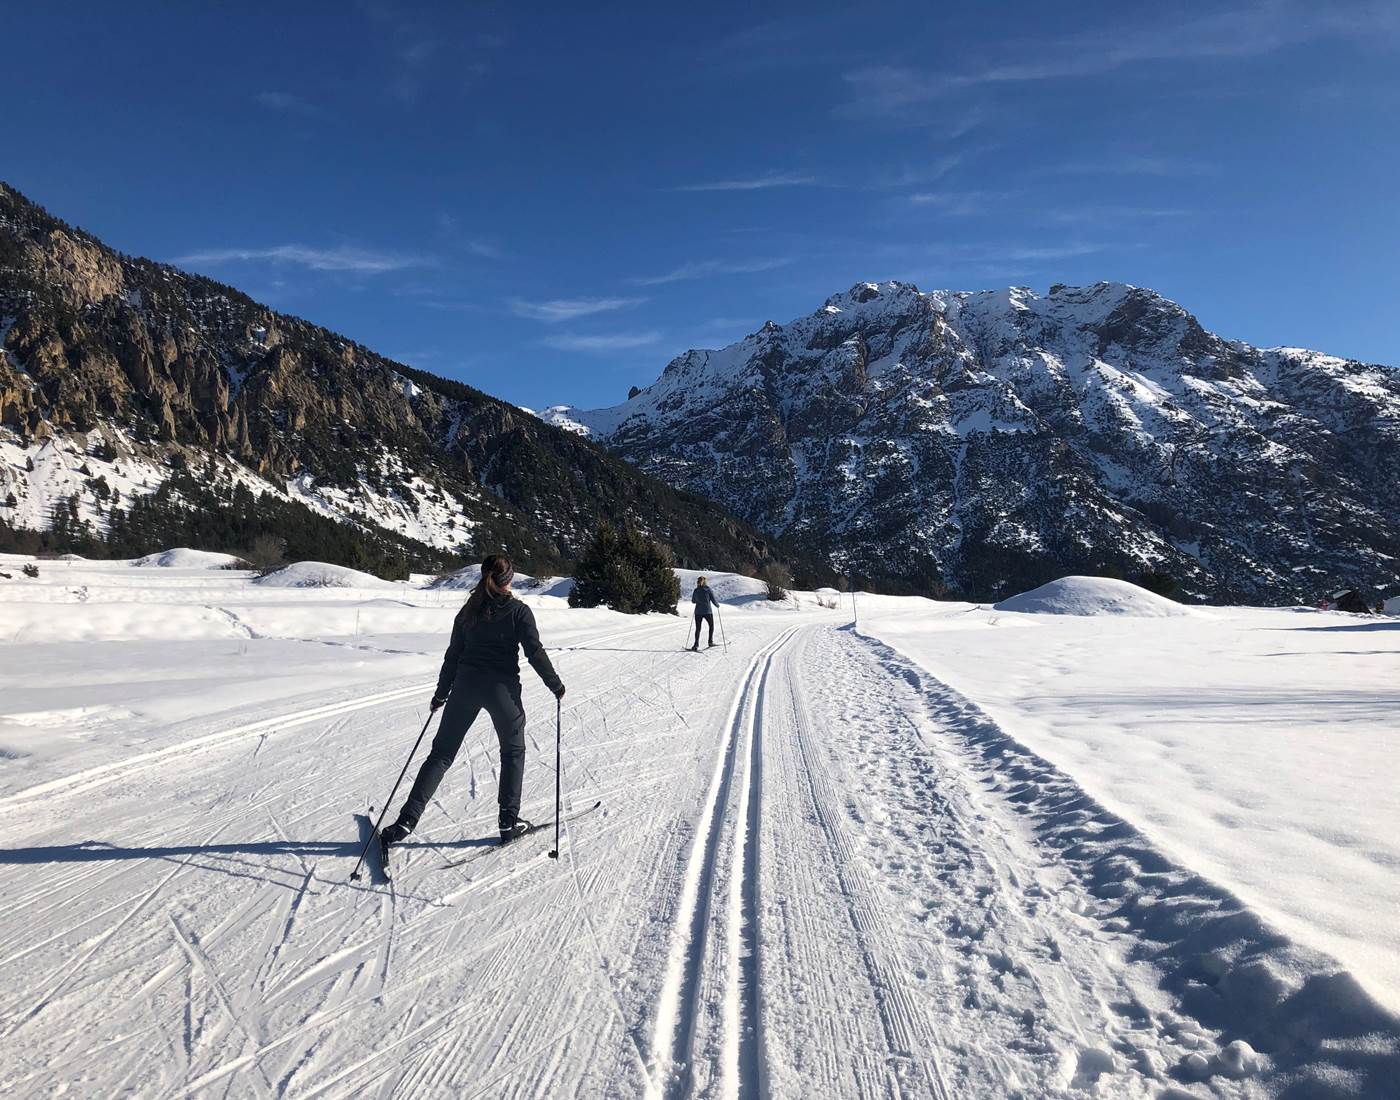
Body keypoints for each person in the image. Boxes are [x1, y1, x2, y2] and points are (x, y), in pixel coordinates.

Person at [381, 553, 565, 849]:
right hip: (501, 691)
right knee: (513, 752)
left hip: (465, 687)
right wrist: (555, 685)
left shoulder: (468, 610)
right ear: (510, 579)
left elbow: (452, 656)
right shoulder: (519, 611)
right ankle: (508, 822)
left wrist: (441, 694)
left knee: (441, 755)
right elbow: (535, 652)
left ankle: (405, 822)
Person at [690, 576, 720, 650]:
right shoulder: (708, 589)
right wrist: (717, 605)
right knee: (711, 626)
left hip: (698, 612)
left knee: (698, 628)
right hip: (707, 611)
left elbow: (693, 601)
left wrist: (698, 600)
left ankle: (696, 645)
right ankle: (710, 642)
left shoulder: (696, 590)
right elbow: (713, 600)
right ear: (705, 582)